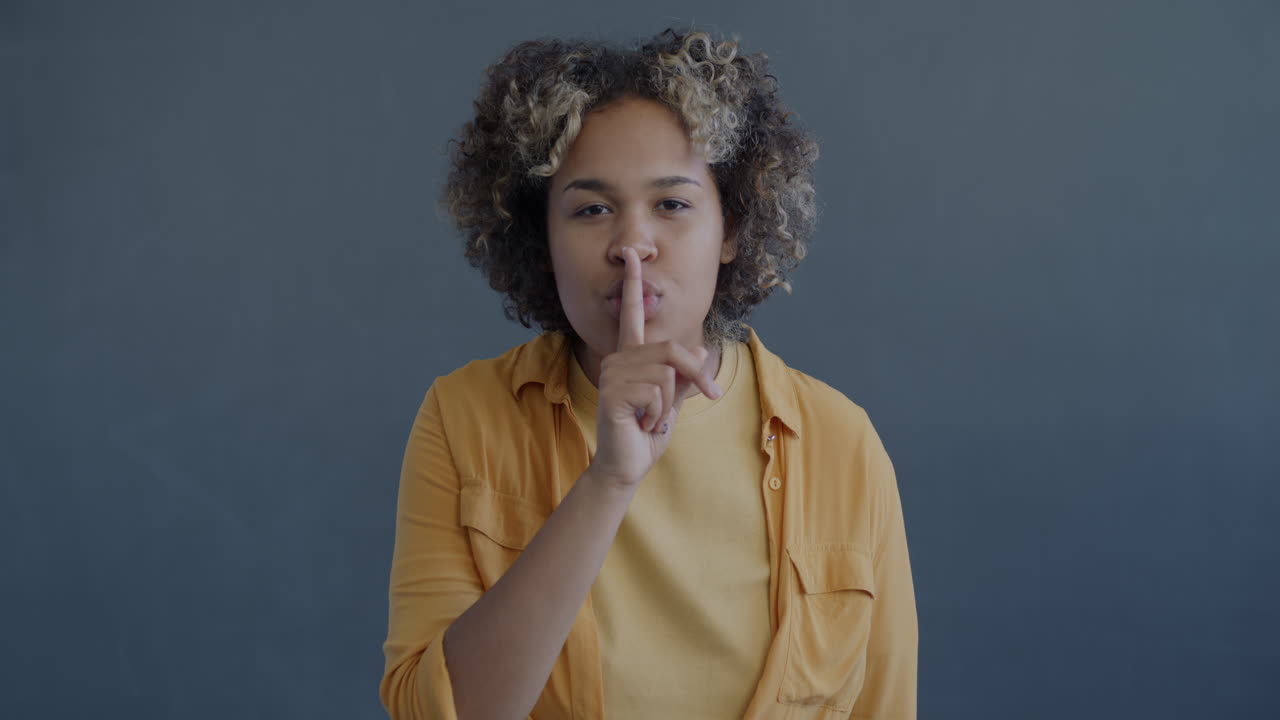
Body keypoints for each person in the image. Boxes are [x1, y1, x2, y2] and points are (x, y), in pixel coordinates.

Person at [380, 28, 917, 720]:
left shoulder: (842, 443)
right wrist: (609, 481)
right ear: (539, 239)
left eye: (672, 204)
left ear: (731, 229)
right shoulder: (464, 416)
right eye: (591, 209)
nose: (632, 243)